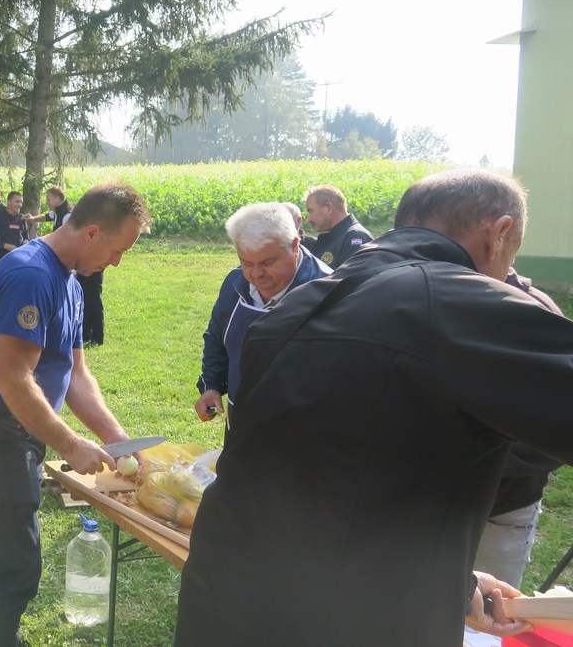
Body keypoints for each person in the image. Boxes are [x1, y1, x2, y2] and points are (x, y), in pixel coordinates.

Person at [174, 169, 572, 646]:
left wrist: (456, 585)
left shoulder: (296, 308)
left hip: (226, 600)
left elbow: (334, 487)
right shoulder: (460, 303)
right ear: (499, 235)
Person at [0, 183, 149, 647]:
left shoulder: (70, 280)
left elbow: (75, 374)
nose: (117, 262)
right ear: (93, 232)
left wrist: (117, 441)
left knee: (8, 551)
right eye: (118, 250)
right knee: (15, 561)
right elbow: (13, 381)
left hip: (15, 430)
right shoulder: (31, 275)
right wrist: (70, 445)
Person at [194, 203, 330, 425]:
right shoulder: (235, 283)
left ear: (295, 246)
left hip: (302, 430)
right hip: (241, 423)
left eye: (268, 262)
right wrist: (212, 385)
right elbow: (216, 338)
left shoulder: (327, 292)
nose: (256, 274)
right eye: (246, 262)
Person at [473, 268, 565, 588]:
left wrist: (476, 458)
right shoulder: (425, 297)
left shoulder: (534, 313)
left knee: (487, 620)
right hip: (423, 508)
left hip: (503, 510)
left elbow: (554, 430)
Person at [302, 184, 373, 266]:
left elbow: (348, 277)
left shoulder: (356, 237)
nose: (308, 219)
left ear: (328, 207)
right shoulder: (337, 237)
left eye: (311, 211)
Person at [0, 190, 29, 262]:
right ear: (8, 202)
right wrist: (5, 245)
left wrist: (26, 242)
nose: (20, 205)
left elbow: (26, 237)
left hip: (18, 257)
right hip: (1, 258)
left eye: (21, 202)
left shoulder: (21, 218)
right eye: (17, 201)